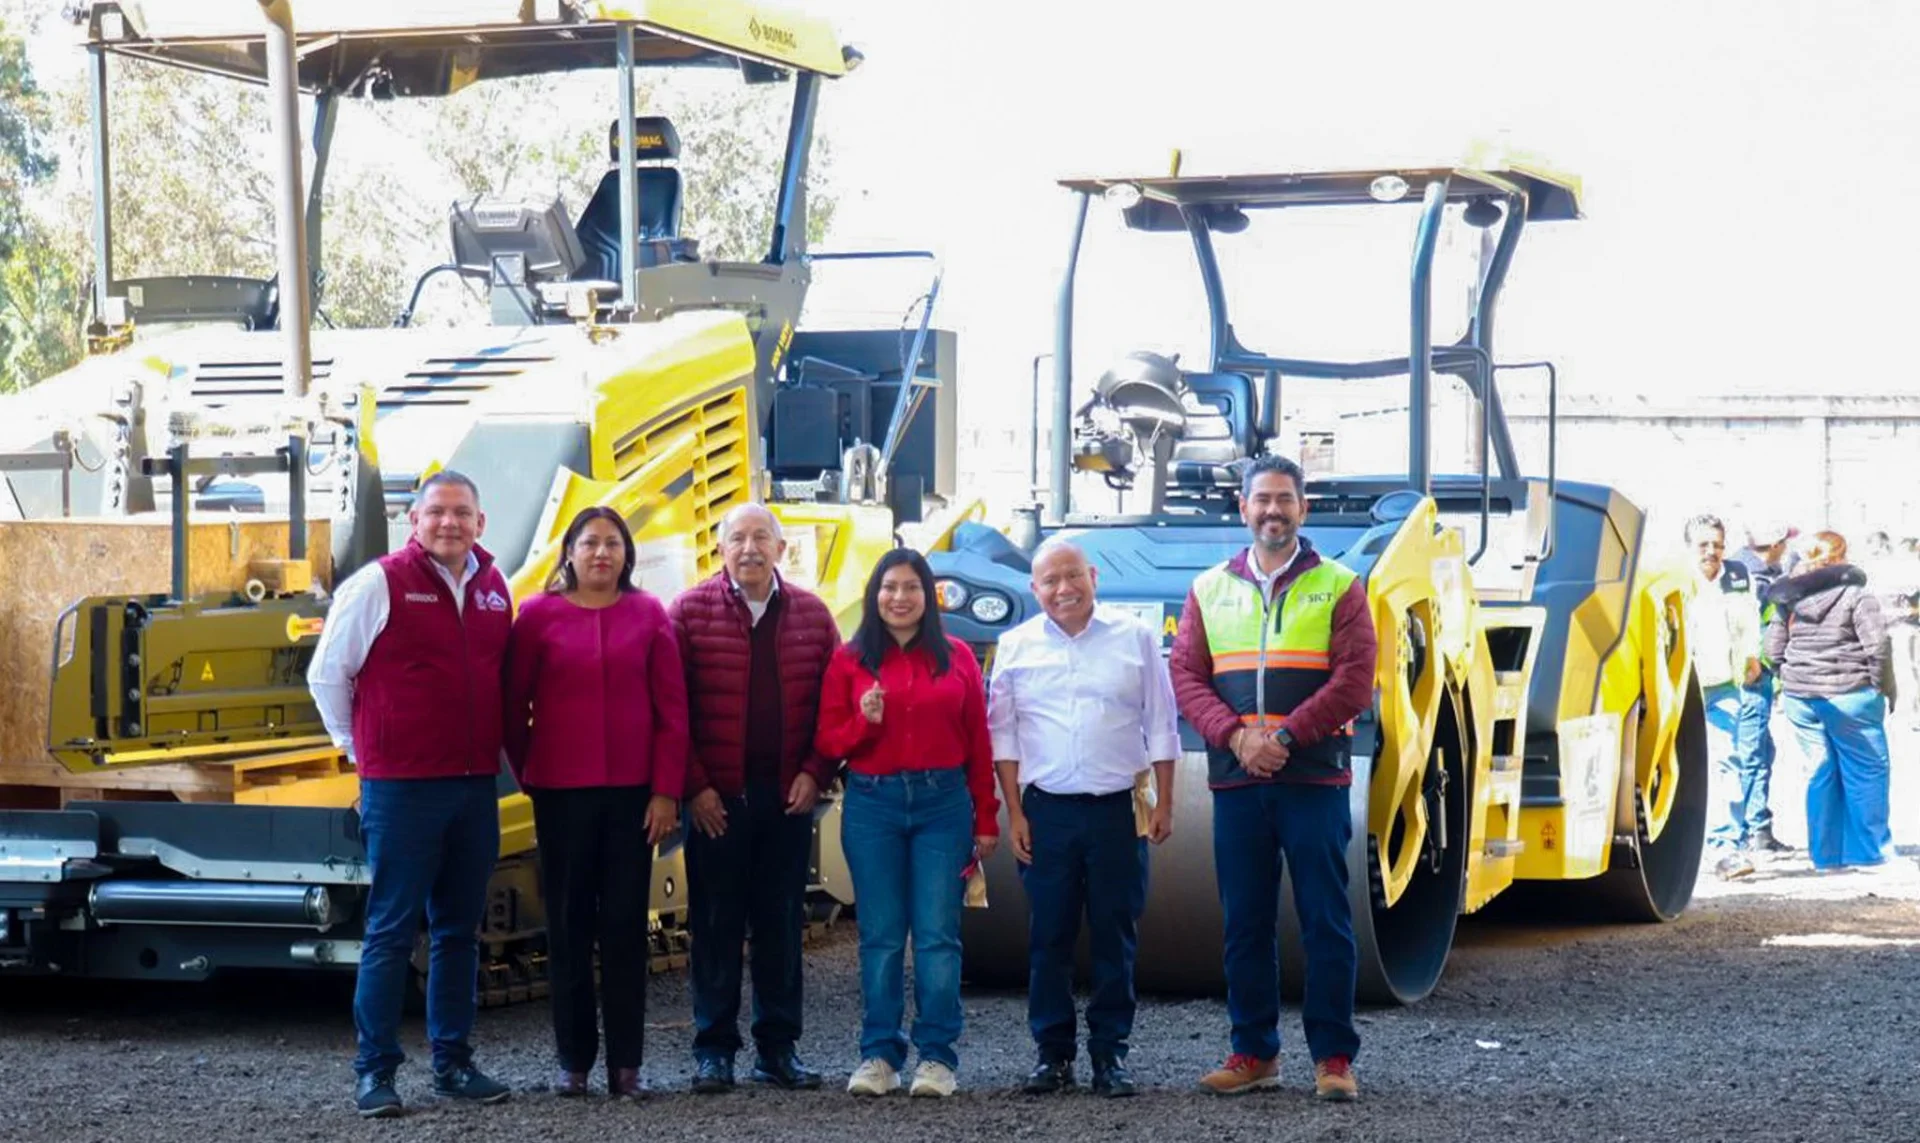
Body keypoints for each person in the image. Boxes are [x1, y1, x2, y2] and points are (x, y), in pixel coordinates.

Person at [307, 471, 516, 1118]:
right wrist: (360, 747)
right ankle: (376, 1072)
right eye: (436, 513)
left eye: (462, 512)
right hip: (401, 789)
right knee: (392, 929)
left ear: (480, 523)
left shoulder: (493, 587)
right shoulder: (378, 583)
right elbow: (327, 673)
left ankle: (453, 1061)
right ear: (414, 521)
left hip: (473, 786)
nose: (449, 523)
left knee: (459, 930)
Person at [1169, 455, 1375, 1102]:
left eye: (1285, 499)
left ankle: (1334, 1057)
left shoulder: (1342, 585)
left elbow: (1353, 681)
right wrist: (1237, 737)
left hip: (1312, 779)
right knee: (1245, 923)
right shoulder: (1207, 589)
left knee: (1326, 919)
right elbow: (1186, 675)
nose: (1273, 511)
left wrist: (1283, 738)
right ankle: (1254, 1051)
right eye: (1262, 499)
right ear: (1243, 507)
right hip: (1237, 781)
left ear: (1303, 509)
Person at [503, 507, 688, 1099]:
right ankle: (574, 1062)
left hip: (635, 798)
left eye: (613, 544)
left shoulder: (648, 615)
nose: (602, 553)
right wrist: (531, 771)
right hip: (561, 794)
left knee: (625, 928)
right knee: (568, 926)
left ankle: (626, 1066)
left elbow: (672, 714)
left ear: (628, 555)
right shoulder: (537, 617)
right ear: (570, 552)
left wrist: (665, 790)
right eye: (590, 543)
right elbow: (512, 708)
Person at [987, 539, 1179, 1099]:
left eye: (1073, 575)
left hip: (1119, 811)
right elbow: (1004, 736)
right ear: (1035, 589)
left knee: (1116, 935)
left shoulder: (1136, 638)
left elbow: (1162, 724)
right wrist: (1014, 812)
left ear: (1093, 576)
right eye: (1050, 580)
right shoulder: (1014, 645)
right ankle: (1052, 1055)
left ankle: (1109, 1055)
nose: (1064, 589)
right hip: (1046, 813)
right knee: (1048, 936)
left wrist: (1164, 802)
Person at [667, 503, 841, 1094]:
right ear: (719, 550)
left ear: (781, 550)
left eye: (760, 537)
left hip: (786, 799)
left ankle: (778, 1048)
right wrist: (695, 788)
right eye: (736, 538)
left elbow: (834, 707)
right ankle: (713, 1049)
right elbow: (671, 711)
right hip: (716, 802)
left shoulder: (814, 618)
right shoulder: (688, 613)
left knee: (781, 924)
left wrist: (817, 773)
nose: (749, 548)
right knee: (715, 927)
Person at [817, 549, 1001, 1099]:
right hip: (873, 803)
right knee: (879, 937)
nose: (900, 598)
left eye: (912, 587)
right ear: (875, 596)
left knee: (938, 936)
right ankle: (879, 1055)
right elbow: (827, 743)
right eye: (890, 587)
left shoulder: (959, 657)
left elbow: (979, 742)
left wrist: (985, 816)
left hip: (943, 805)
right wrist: (862, 722)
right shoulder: (849, 660)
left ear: (928, 597)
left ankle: (938, 1059)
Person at [1764, 531, 1895, 871]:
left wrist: (1792, 675)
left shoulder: (1789, 597)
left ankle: (1826, 858)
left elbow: (1771, 649)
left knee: (1820, 771)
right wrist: (1881, 687)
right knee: (1866, 771)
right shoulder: (1856, 595)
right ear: (1842, 556)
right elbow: (1878, 645)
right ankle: (1870, 854)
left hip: (1801, 698)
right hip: (1851, 694)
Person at [1681, 514, 1767, 881]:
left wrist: (1752, 657)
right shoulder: (1676, 582)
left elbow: (1749, 623)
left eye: (1717, 544)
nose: (1711, 551)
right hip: (1679, 690)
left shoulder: (1737, 579)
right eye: (1703, 544)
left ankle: (1726, 846)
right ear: (1689, 547)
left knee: (1729, 762)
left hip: (1723, 687)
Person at [1727, 519, 1798, 855]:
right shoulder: (1753, 579)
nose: (1786, 548)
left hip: (1753, 676)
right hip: (1751, 677)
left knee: (1760, 752)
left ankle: (1753, 827)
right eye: (1784, 542)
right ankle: (1754, 831)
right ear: (1773, 545)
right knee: (1752, 753)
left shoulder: (1744, 571)